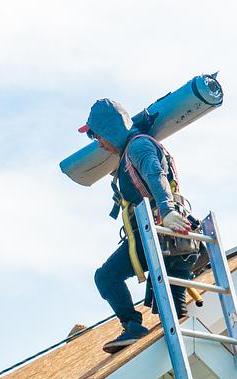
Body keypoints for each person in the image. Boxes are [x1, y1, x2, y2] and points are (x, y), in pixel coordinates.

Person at [79, 98, 201, 354]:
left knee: (106, 277)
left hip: (160, 233)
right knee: (174, 312)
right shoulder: (130, 151)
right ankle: (138, 329)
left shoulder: (139, 147)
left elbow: (155, 175)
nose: (98, 142)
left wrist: (166, 211)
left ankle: (133, 327)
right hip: (158, 238)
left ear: (110, 129)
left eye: (97, 135)